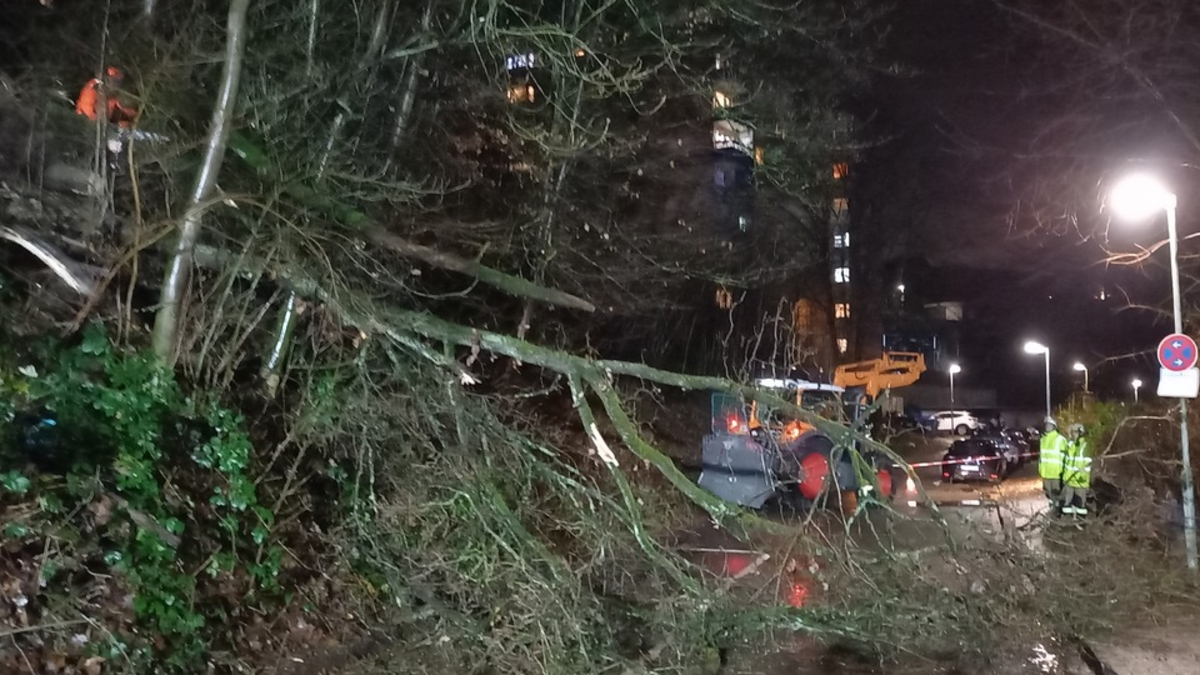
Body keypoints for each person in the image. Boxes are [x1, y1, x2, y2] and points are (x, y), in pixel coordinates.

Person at [1061, 423, 1093, 516]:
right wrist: (1065, 477)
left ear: (1080, 433)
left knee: (1080, 505)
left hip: (1080, 481)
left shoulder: (1085, 446)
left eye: (1075, 432)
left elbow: (1087, 465)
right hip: (1069, 481)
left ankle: (1081, 523)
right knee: (1067, 505)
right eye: (1072, 432)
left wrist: (1080, 476)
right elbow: (1067, 464)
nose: (1072, 434)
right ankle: (1067, 522)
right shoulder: (1070, 445)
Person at [1038, 417, 1067, 510]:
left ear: (1054, 427)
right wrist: (1040, 469)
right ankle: (1053, 510)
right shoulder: (1043, 440)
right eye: (1046, 425)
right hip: (1046, 473)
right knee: (1049, 494)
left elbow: (1065, 457)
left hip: (1056, 473)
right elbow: (1041, 457)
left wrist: (1064, 471)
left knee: (1056, 493)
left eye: (1049, 425)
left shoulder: (1060, 439)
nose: (1047, 427)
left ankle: (1058, 511)